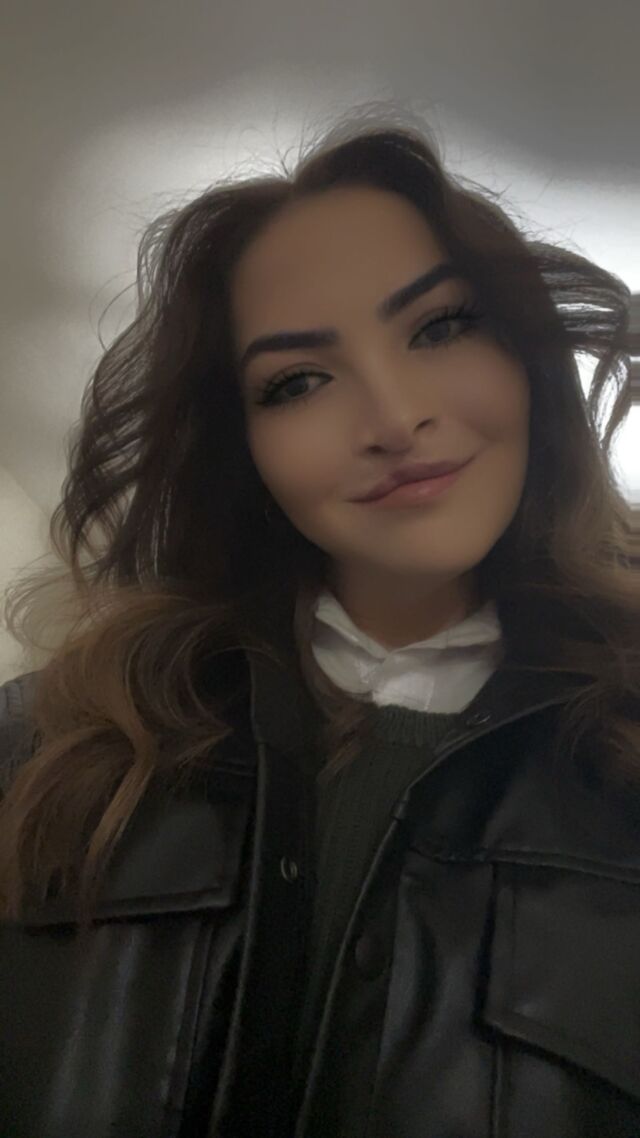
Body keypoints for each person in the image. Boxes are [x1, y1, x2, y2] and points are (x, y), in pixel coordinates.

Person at [0, 102, 638, 1138]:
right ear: (237, 444)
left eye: (441, 325)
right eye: (298, 381)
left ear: (526, 354)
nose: (394, 419)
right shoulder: (40, 752)